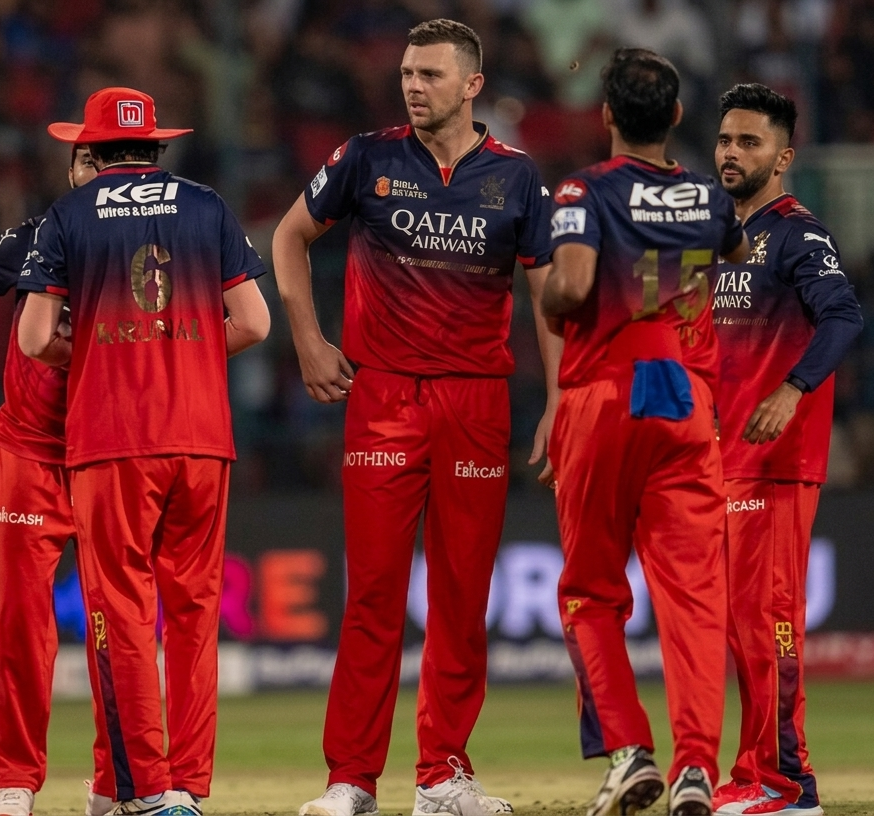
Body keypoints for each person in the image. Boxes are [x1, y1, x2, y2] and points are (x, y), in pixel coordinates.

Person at [271, 18, 559, 816]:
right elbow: (289, 237)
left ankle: (443, 775)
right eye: (406, 72)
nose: (412, 85)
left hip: (476, 400)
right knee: (373, 595)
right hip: (385, 398)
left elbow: (548, 293)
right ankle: (350, 781)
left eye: (429, 74)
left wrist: (561, 400)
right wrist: (309, 341)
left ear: (472, 85)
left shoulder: (516, 177)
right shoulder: (367, 157)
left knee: (463, 598)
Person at [17, 86, 271, 816]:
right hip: (202, 439)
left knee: (121, 614)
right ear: (156, 146)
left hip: (113, 442)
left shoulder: (69, 215)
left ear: (91, 153)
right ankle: (186, 788)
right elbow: (254, 323)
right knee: (194, 615)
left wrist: (101, 352)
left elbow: (34, 339)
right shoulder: (206, 205)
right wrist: (183, 350)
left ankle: (147, 791)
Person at [540, 49, 748, 816]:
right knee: (694, 596)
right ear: (677, 117)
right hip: (686, 397)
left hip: (605, 392)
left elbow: (570, 283)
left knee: (591, 590)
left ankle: (629, 753)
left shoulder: (583, 189)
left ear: (606, 116)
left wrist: (553, 304)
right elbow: (737, 249)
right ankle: (697, 768)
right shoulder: (707, 196)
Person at [0, 145, 107, 816]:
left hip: (112, 454)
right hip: (31, 458)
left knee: (118, 624)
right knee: (21, 627)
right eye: (86, 161)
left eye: (109, 161)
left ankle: (117, 781)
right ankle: (15, 785)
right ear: (70, 171)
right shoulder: (34, 238)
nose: (97, 173)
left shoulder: (159, 246)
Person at [709, 84, 862, 816]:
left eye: (750, 142)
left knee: (768, 620)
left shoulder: (798, 234)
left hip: (775, 462)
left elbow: (844, 315)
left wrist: (793, 388)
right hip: (720, 461)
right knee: (743, 628)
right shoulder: (713, 238)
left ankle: (787, 783)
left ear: (783, 157)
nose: (732, 153)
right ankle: (754, 773)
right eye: (725, 140)